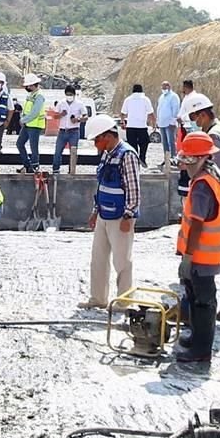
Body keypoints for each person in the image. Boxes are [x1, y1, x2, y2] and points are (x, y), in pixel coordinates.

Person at [182, 93, 220, 324]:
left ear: (204, 113)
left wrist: (199, 201)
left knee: (216, 254)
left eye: (195, 117)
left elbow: (210, 174)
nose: (194, 122)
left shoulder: (215, 136)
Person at [175, 132, 220, 363]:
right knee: (197, 296)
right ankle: (197, 338)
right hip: (207, 254)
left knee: (203, 302)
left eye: (187, 160)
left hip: (202, 255)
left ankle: (201, 350)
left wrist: (187, 257)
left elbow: (197, 223)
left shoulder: (202, 186)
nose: (184, 166)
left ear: (198, 158)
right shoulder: (211, 176)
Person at [78, 114, 141, 309]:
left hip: (120, 216)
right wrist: (95, 210)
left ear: (107, 135)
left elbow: (134, 188)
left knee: (122, 262)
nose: (95, 144)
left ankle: (124, 301)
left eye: (97, 139)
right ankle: (98, 298)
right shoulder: (107, 154)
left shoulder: (127, 155)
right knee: (98, 259)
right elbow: (102, 185)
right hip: (104, 214)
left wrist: (129, 215)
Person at [51, 85, 87, 174]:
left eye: (70, 94)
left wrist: (77, 119)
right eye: (67, 94)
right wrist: (61, 115)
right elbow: (54, 116)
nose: (69, 96)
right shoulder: (61, 103)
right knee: (58, 151)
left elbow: (86, 116)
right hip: (62, 131)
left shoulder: (80, 104)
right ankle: (56, 170)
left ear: (74, 95)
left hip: (74, 131)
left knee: (73, 152)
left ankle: (72, 170)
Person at [16, 73, 46, 173]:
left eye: (28, 86)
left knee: (34, 147)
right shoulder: (31, 95)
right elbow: (27, 110)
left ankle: (34, 167)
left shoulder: (39, 96)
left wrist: (23, 120)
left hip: (35, 125)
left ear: (34, 85)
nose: (27, 87)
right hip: (28, 124)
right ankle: (27, 165)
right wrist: (24, 119)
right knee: (19, 144)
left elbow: (35, 112)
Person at [120, 84, 155, 167]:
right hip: (142, 127)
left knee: (132, 145)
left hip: (131, 126)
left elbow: (122, 113)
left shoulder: (128, 100)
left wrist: (122, 122)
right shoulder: (145, 99)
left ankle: (134, 160)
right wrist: (154, 124)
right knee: (144, 143)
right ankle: (142, 158)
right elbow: (151, 114)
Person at [156, 80, 181, 164]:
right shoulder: (161, 97)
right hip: (162, 123)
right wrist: (158, 121)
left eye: (165, 87)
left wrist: (173, 122)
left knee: (171, 142)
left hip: (169, 123)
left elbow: (175, 109)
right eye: (162, 87)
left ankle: (173, 158)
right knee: (164, 142)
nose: (163, 89)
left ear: (169, 87)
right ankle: (166, 159)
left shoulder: (173, 96)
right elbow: (159, 109)